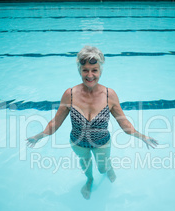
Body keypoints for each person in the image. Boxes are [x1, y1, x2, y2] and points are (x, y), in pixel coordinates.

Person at [27, 46, 158, 200]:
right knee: (86, 166)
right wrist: (39, 136)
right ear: (79, 71)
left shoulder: (110, 95)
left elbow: (125, 125)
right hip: (77, 143)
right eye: (85, 70)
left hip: (102, 143)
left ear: (100, 71)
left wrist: (143, 137)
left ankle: (108, 169)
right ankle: (89, 180)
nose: (90, 75)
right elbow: (55, 123)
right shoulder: (69, 95)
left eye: (94, 70)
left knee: (102, 168)